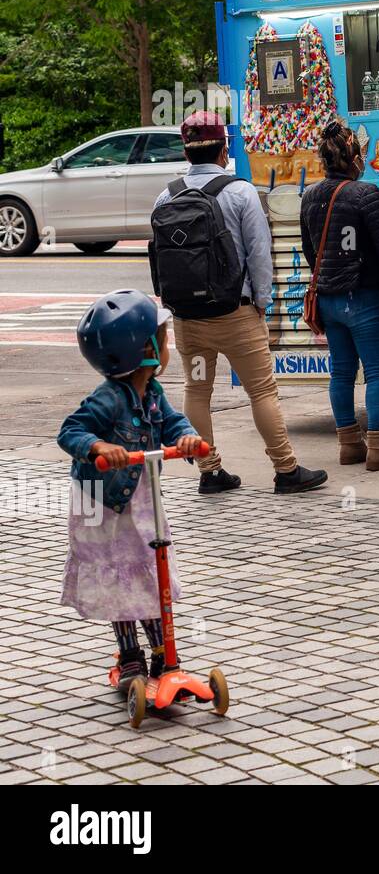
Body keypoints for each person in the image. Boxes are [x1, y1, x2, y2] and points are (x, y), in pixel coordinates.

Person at [152, 111, 327, 495]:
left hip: (188, 318)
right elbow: (260, 255)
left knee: (197, 389)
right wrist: (261, 304)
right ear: (223, 149)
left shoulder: (166, 195)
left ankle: (210, 471)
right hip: (236, 313)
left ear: (186, 151)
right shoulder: (241, 192)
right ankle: (285, 470)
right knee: (262, 391)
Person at [58, 289, 206, 684]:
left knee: (148, 573)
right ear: (145, 351)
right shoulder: (107, 398)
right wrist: (98, 445)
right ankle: (130, 657)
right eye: (163, 337)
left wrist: (187, 439)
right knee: (120, 576)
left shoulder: (153, 392)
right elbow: (71, 431)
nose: (168, 343)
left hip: (139, 499)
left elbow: (173, 423)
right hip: (103, 505)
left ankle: (164, 654)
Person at [300, 119, 379, 471]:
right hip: (363, 295)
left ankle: (349, 444)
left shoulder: (309, 196)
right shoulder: (365, 195)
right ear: (355, 158)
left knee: (341, 373)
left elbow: (308, 248)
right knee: (378, 371)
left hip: (329, 299)